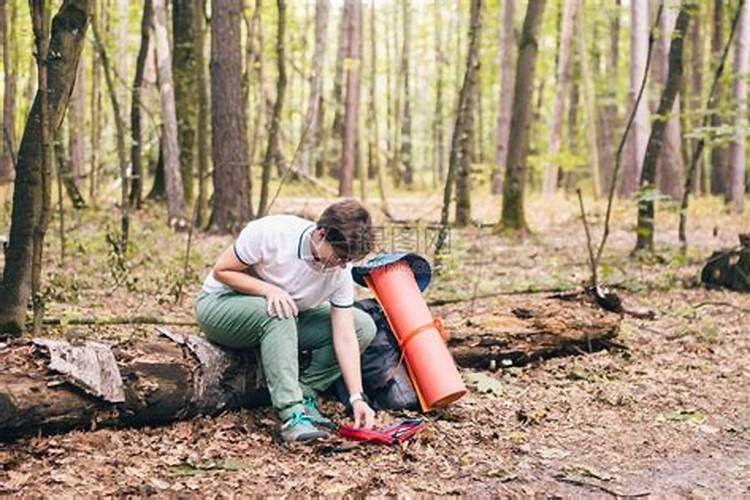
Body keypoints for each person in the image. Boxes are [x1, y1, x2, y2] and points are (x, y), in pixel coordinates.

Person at [195, 199, 377, 442]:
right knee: (279, 311)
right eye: (340, 256)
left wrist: (357, 397)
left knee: (362, 326)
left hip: (281, 321)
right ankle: (292, 415)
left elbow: (345, 334)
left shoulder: (339, 272)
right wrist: (268, 290)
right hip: (220, 305)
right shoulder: (273, 233)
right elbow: (222, 270)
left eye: (349, 260)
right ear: (321, 234)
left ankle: (306, 393)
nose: (343, 266)